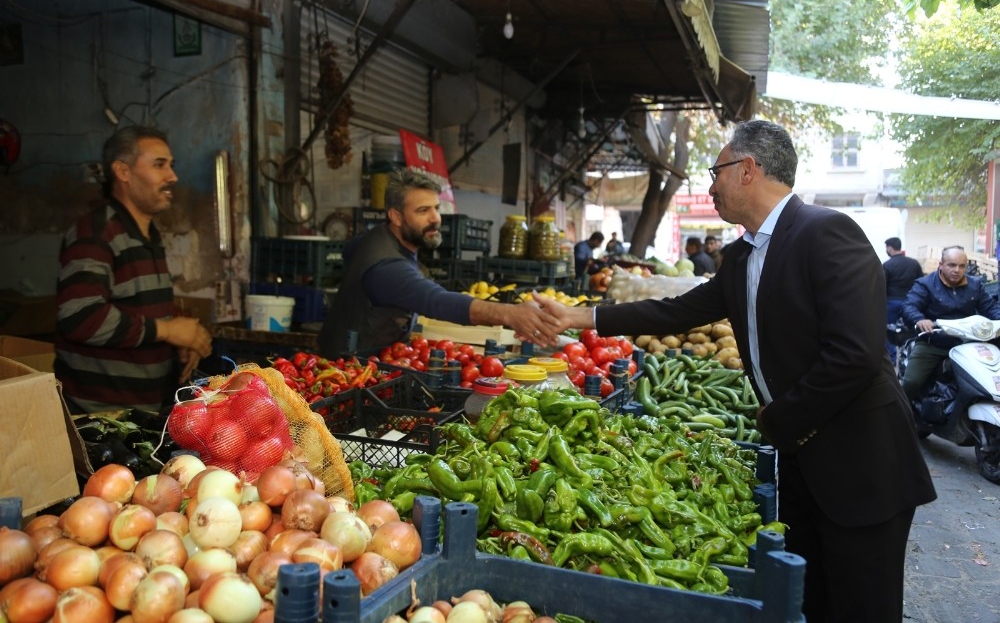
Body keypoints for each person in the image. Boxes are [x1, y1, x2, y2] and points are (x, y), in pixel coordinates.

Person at [534, 119, 936, 623]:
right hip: (802, 462)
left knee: (861, 608)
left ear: (748, 170)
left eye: (716, 172)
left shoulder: (826, 232)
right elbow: (675, 311)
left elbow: (853, 354)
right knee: (810, 603)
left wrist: (778, 419)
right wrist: (582, 317)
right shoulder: (743, 254)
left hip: (861, 462)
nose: (710, 185)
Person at [55, 126, 213, 414]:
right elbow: (80, 316)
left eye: (171, 165)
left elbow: (138, 311)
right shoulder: (96, 232)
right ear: (123, 172)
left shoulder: (149, 235)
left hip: (145, 412)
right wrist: (167, 331)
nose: (172, 177)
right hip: (100, 419)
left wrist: (180, 341)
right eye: (159, 165)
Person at [317, 170, 559, 356]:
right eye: (423, 211)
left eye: (436, 208)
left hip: (369, 355)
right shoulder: (386, 268)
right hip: (349, 369)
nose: (435, 218)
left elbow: (349, 251)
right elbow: (437, 301)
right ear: (396, 216)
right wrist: (510, 313)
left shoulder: (376, 238)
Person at [900, 245, 1000, 400]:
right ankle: (903, 414)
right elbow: (909, 306)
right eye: (952, 265)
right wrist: (919, 319)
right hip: (934, 343)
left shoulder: (975, 285)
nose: (957, 270)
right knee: (912, 382)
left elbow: (991, 308)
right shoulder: (925, 284)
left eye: (961, 266)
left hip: (967, 344)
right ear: (941, 265)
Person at [883, 237, 924, 360]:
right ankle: (911, 355)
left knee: (889, 331)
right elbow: (921, 282)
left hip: (892, 302)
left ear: (890, 248)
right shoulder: (914, 263)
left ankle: (892, 358)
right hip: (911, 302)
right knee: (913, 329)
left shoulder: (887, 265)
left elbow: (881, 285)